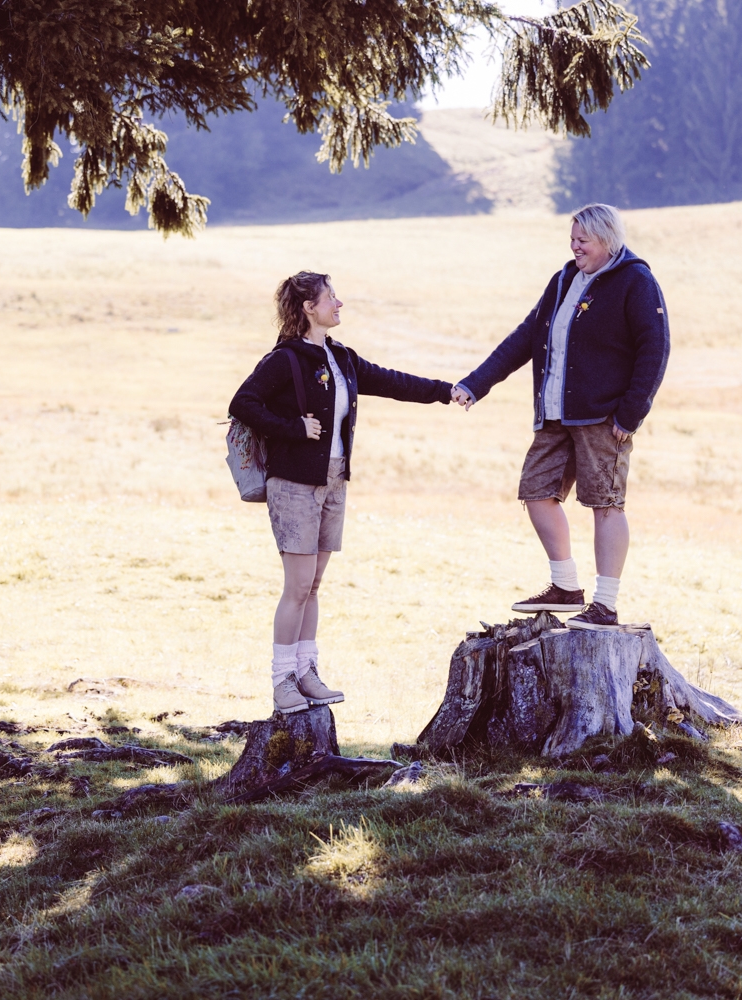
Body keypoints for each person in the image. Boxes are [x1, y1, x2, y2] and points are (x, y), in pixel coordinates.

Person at [230, 272, 454, 714]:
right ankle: (282, 681)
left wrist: (446, 392)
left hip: (334, 479)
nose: (339, 303)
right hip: (293, 483)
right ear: (309, 307)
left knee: (313, 585)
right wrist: (293, 428)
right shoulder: (285, 359)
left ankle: (307, 673)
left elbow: (392, 382)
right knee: (297, 586)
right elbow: (242, 403)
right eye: (331, 297)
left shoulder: (341, 358)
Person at [451, 203, 669, 629]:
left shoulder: (636, 281)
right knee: (536, 492)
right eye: (572, 240)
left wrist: (630, 414)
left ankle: (605, 605)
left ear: (607, 239)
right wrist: (476, 384)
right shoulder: (564, 279)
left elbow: (655, 349)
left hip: (604, 417)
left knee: (606, 504)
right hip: (554, 414)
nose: (574, 247)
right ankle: (566, 586)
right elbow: (525, 337)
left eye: (582, 240)